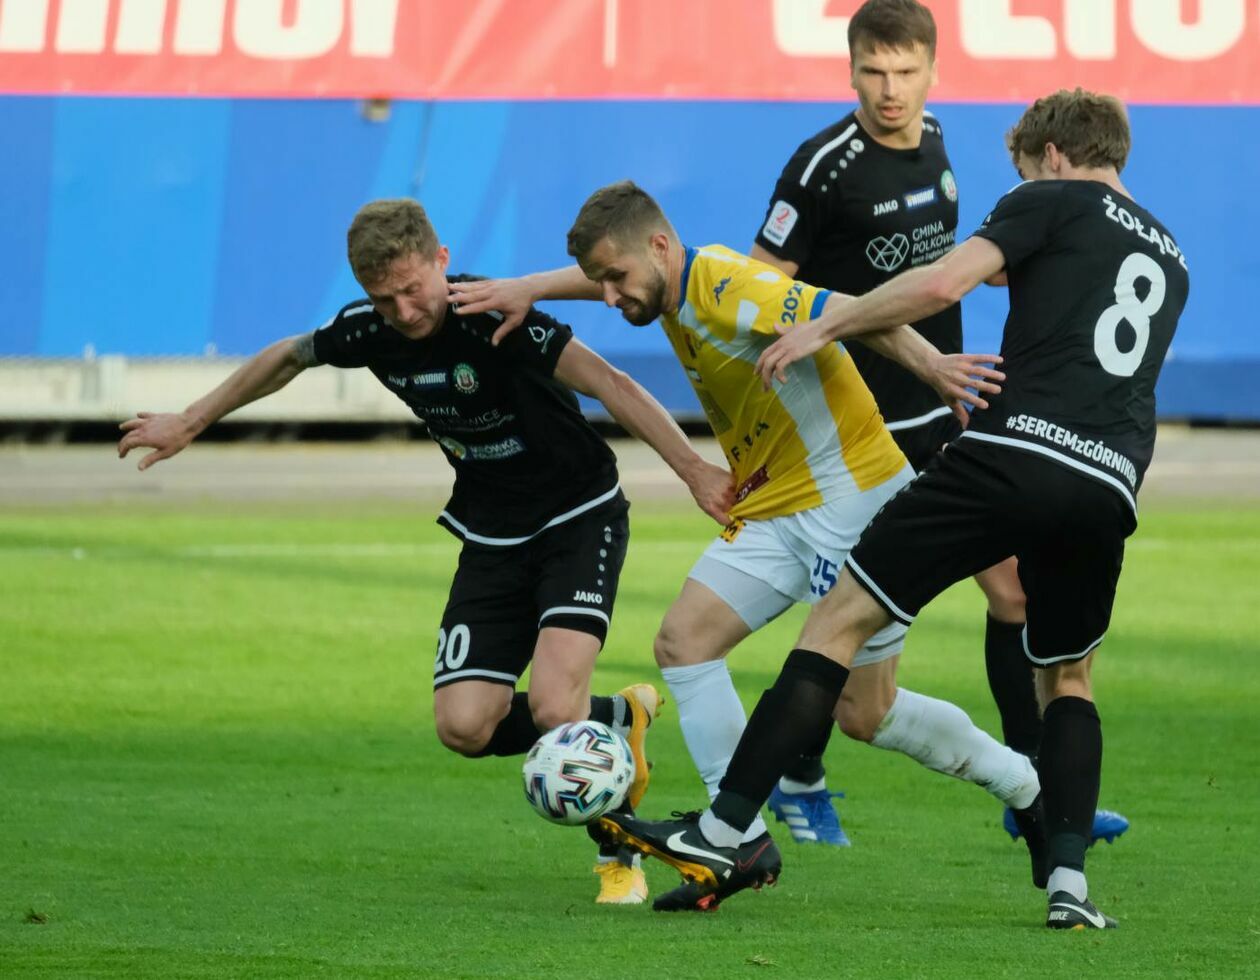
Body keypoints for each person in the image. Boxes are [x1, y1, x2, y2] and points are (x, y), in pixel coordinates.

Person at [598, 89, 1188, 930]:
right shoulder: (1173, 254)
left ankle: (727, 832)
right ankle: (1069, 888)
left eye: (1023, 168)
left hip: (1010, 451)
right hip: (1109, 479)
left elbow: (945, 282)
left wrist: (826, 324)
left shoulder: (1047, 195)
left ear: (1052, 156)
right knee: (1068, 677)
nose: (1019, 182)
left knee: (835, 622)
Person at [116, 197, 738, 907]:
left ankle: (618, 854)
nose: (405, 311)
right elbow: (287, 356)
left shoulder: (495, 314)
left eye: (415, 290)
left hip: (578, 518)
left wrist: (694, 471)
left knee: (554, 705)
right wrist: (190, 421)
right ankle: (617, 720)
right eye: (384, 299)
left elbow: (614, 384)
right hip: (491, 536)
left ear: (442, 262)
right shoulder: (369, 332)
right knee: (464, 726)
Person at [450, 180, 1044, 912]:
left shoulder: (732, 289)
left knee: (867, 713)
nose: (609, 296)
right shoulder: (664, 283)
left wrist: (934, 369)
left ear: (660, 248)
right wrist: (525, 286)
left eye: (617, 279)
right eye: (602, 280)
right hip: (775, 503)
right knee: (684, 642)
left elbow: (849, 313)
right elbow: (607, 274)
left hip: (849, 499)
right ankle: (735, 837)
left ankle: (1025, 785)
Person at [749, 0, 1126, 847]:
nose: (891, 90)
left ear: (932, 70)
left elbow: (945, 273)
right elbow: (765, 291)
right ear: (850, 70)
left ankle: (1030, 788)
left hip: (942, 411)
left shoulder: (941, 144)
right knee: (836, 612)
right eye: (874, 73)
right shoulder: (819, 167)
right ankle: (799, 778)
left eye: (906, 72)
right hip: (857, 425)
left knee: (1015, 592)